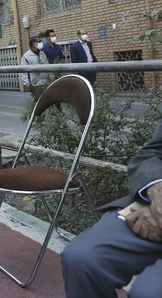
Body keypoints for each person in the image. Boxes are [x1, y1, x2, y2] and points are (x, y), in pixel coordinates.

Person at [61, 118, 162, 298]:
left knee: (148, 292)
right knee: (81, 258)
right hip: (151, 206)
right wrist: (156, 190)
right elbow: (152, 152)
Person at [20, 36, 48, 101]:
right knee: (39, 101)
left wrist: (51, 77)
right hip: (35, 84)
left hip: (45, 82)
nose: (41, 43)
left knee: (46, 100)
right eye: (39, 41)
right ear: (33, 44)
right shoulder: (26, 56)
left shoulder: (42, 54)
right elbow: (23, 71)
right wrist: (26, 84)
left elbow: (47, 66)